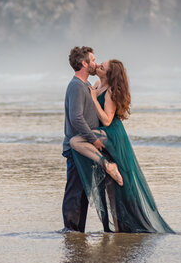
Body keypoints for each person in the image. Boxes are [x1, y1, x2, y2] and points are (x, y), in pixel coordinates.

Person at [70, 59, 174, 233]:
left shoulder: (110, 91)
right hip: (104, 135)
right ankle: (117, 230)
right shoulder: (96, 84)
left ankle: (108, 165)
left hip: (113, 135)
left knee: (75, 141)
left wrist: (94, 99)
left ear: (109, 74)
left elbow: (107, 120)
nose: (98, 67)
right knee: (111, 187)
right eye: (99, 64)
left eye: (102, 67)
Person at [62, 46, 117, 232]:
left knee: (83, 192)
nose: (95, 63)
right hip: (76, 148)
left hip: (84, 146)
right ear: (84, 63)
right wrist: (93, 139)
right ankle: (71, 230)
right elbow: (76, 117)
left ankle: (78, 230)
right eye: (93, 60)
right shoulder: (76, 86)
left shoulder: (86, 85)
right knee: (75, 190)